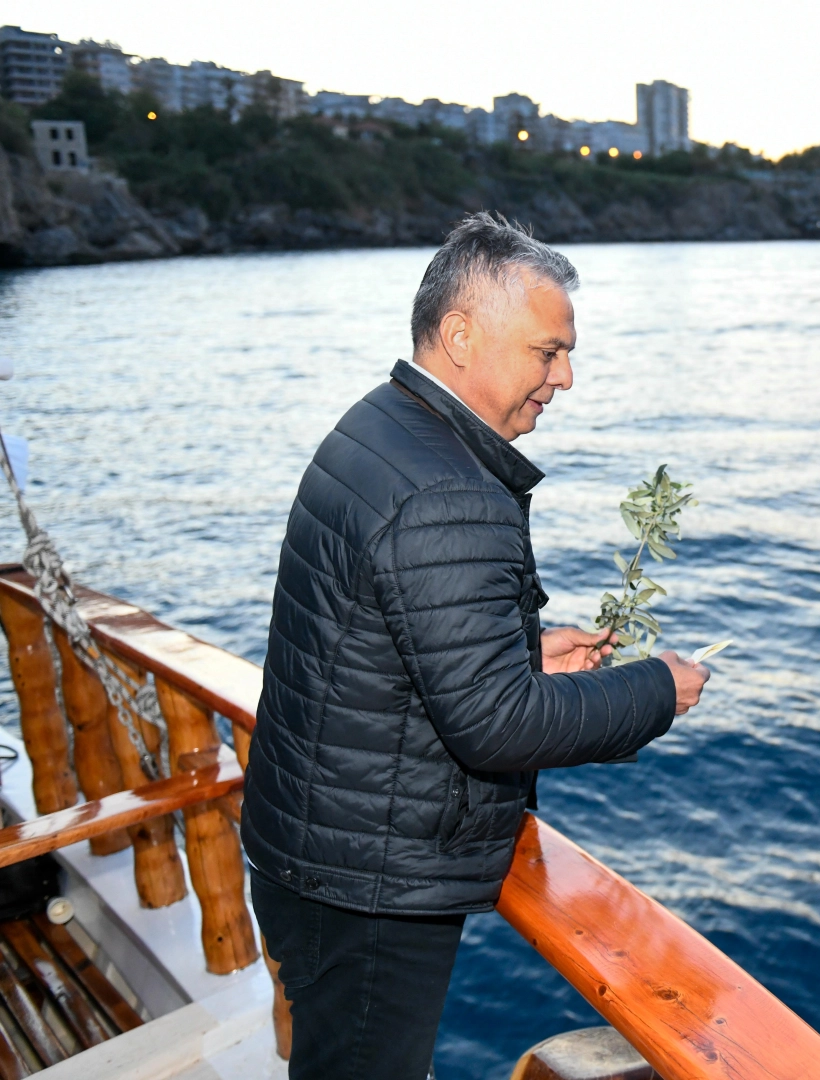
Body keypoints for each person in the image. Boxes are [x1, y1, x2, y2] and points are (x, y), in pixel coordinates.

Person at [240, 211, 709, 1079]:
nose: (566, 377)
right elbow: (495, 727)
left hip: (314, 851)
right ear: (459, 335)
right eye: (546, 351)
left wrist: (519, 647)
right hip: (369, 883)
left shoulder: (377, 428)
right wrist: (655, 689)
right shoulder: (449, 491)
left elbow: (371, 635)